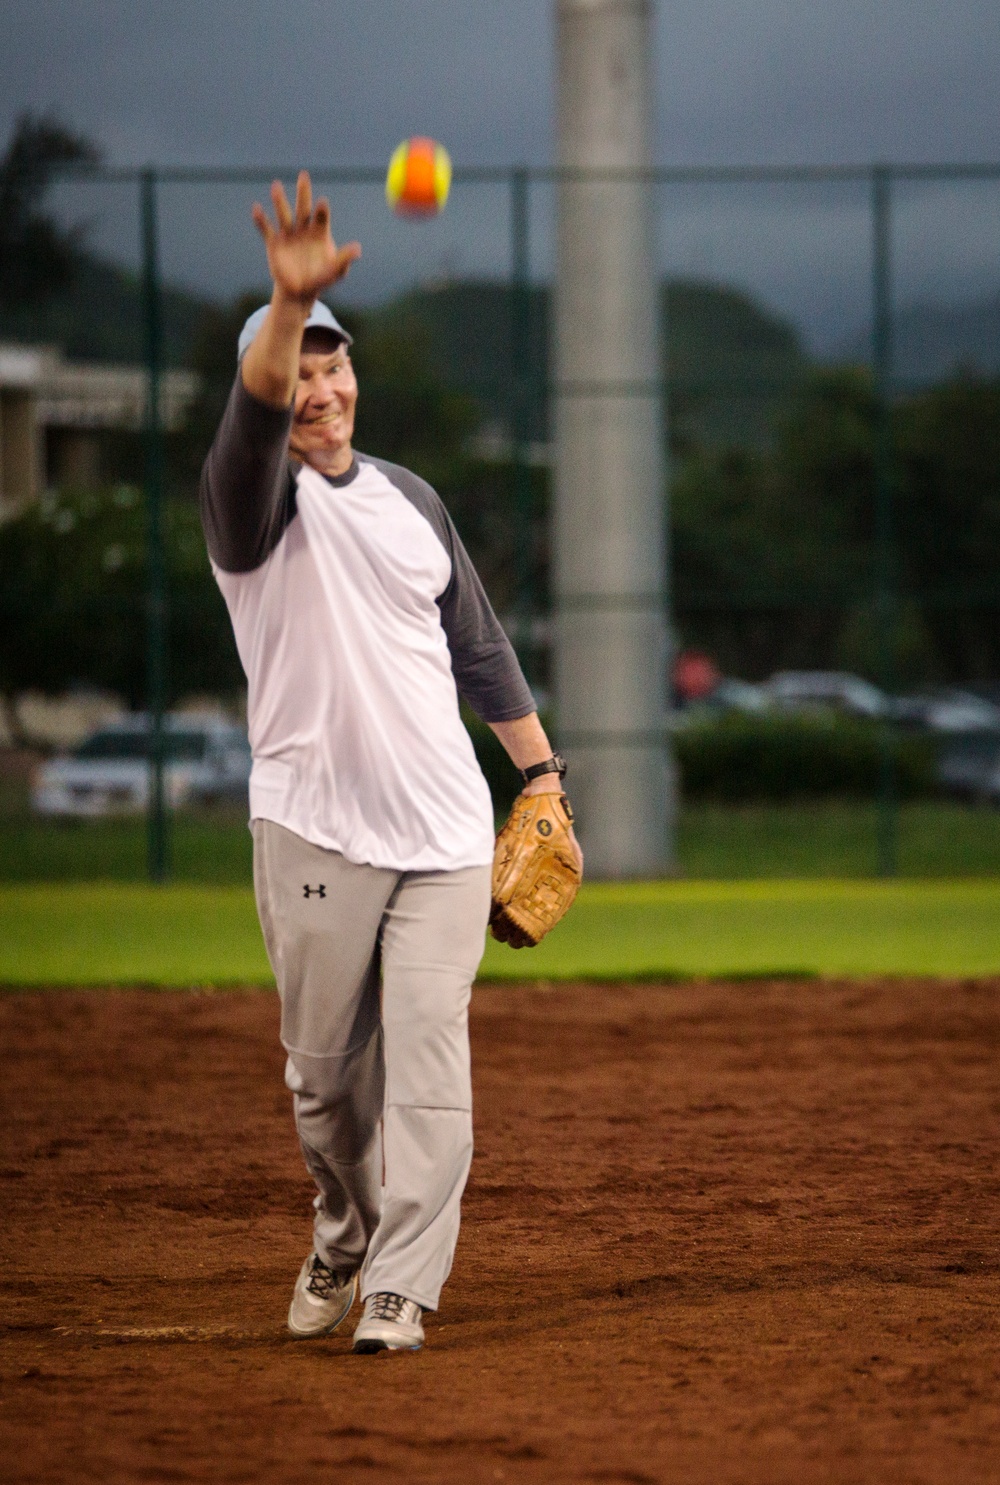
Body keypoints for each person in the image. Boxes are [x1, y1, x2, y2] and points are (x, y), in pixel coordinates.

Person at [199, 171, 581, 1354]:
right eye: (298, 372)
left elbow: (480, 646)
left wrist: (542, 777)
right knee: (324, 1081)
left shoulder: (411, 499)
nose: (321, 389)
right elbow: (254, 420)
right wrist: (285, 302)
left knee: (429, 1064)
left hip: (444, 835)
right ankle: (344, 1228)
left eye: (335, 365)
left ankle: (403, 1286)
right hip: (314, 829)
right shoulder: (250, 508)